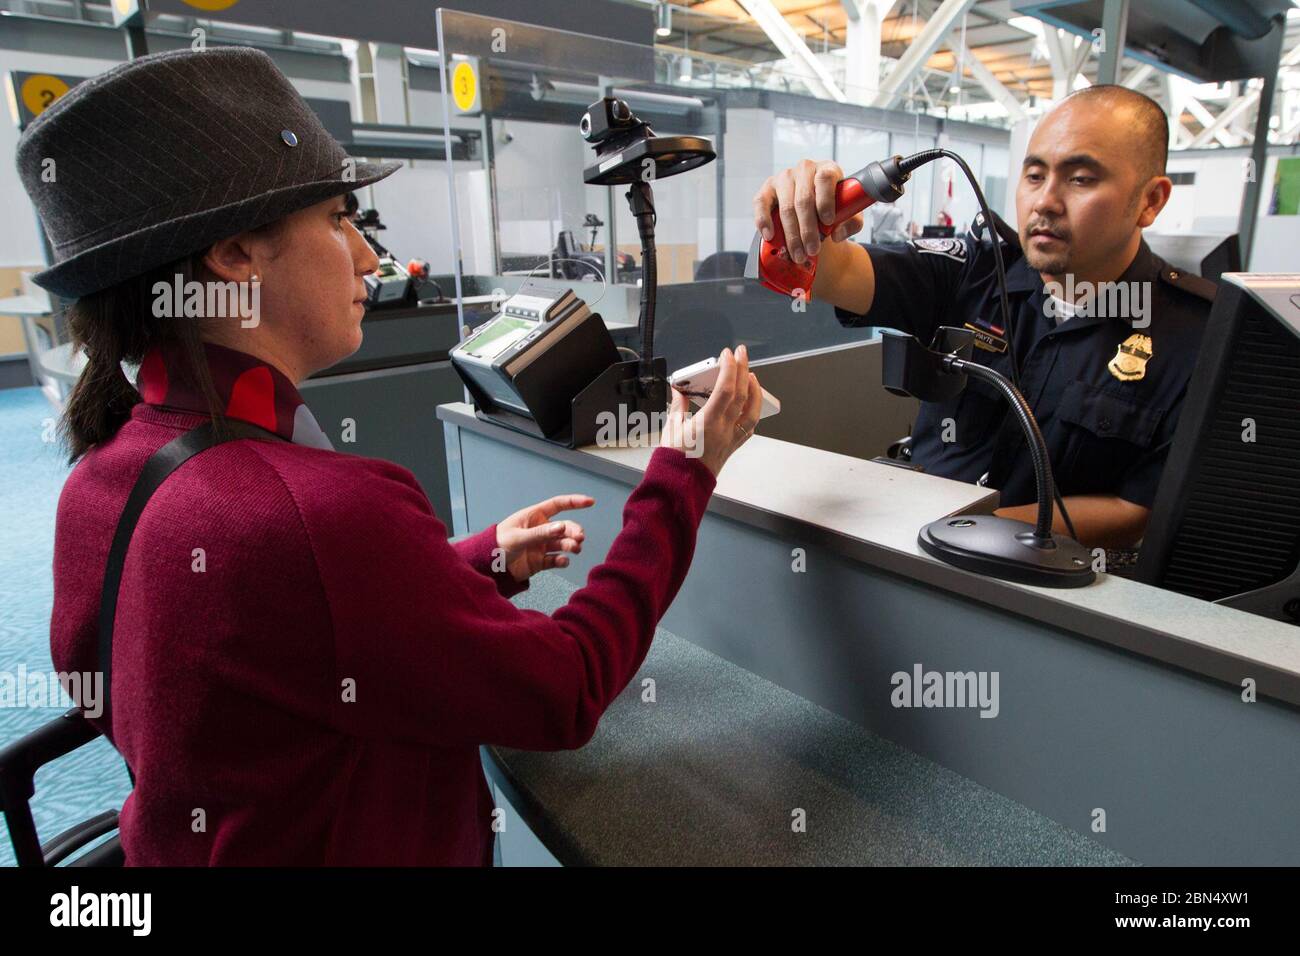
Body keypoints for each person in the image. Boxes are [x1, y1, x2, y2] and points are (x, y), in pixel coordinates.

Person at [18, 46, 763, 865]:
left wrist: (471, 567)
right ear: (232, 254)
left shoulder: (99, 480)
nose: (370, 258)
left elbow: (245, 654)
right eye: (339, 219)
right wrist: (684, 474)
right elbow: (566, 690)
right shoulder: (319, 513)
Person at [754, 85, 1216, 549]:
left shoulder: (1196, 339)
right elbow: (819, 272)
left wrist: (958, 526)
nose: (1045, 202)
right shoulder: (971, 272)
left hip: (1044, 588)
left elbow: (1137, 506)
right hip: (913, 552)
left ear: (1150, 201)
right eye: (1034, 175)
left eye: (1080, 179)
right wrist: (803, 216)